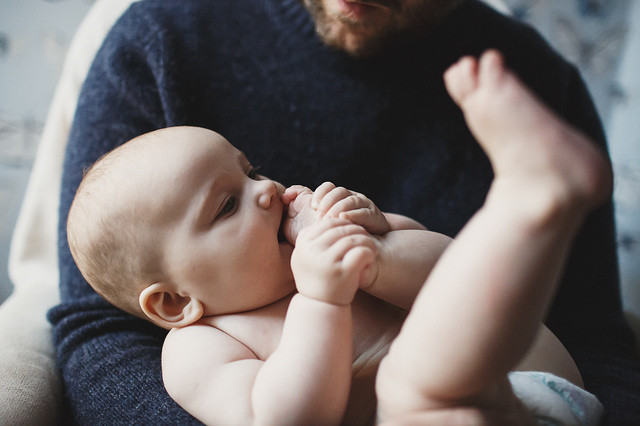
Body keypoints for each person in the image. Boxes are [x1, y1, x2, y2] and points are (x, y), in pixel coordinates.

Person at [50, 0, 640, 424]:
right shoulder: (202, 346)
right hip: (445, 411)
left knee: (463, 289)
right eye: (227, 205)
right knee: (411, 388)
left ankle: (533, 205)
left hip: (546, 390)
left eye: (251, 171)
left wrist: (382, 251)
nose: (266, 189)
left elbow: (462, 276)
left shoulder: (531, 73)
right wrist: (322, 302)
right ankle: (529, 198)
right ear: (176, 301)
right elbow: (285, 417)